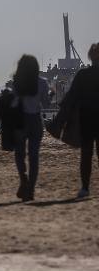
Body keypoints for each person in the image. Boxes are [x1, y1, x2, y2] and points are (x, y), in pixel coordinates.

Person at [57, 43, 99, 198]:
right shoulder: (82, 74)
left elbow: (70, 97)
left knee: (86, 155)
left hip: (87, 120)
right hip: (88, 120)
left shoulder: (83, 75)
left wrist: (59, 120)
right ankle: (85, 188)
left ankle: (85, 188)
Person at [10, 54, 48, 201]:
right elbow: (46, 103)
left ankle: (23, 179)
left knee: (19, 154)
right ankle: (31, 189)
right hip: (36, 120)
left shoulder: (17, 82)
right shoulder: (42, 83)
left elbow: (14, 102)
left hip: (21, 120)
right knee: (34, 156)